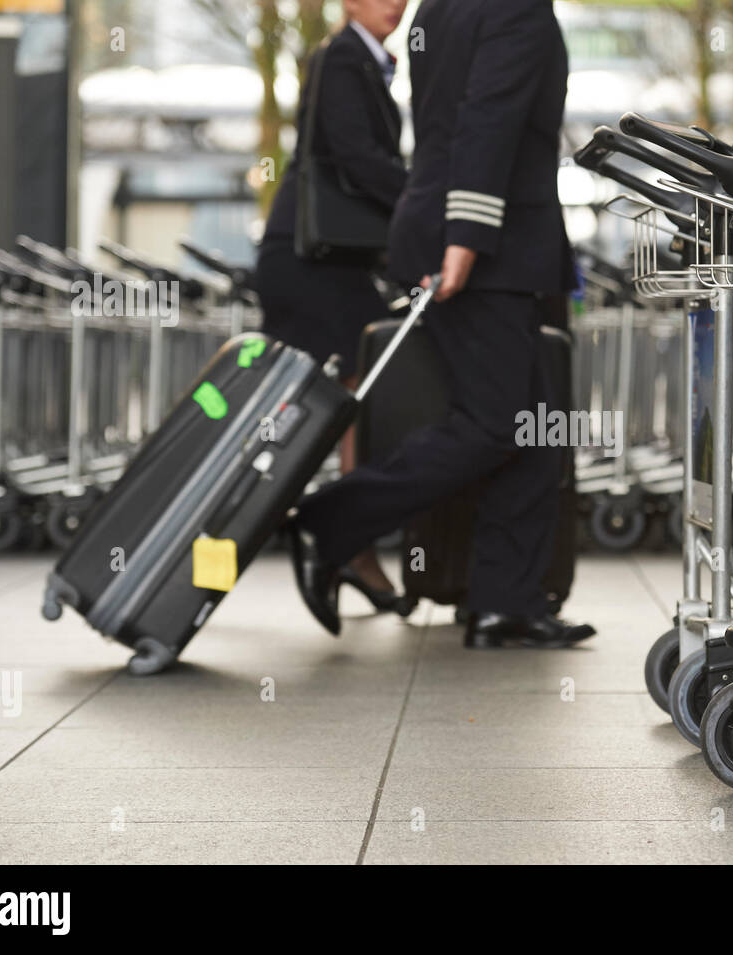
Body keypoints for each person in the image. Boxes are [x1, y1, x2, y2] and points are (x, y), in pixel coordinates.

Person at [287, 0, 595, 649]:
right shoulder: (513, 12)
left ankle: (503, 600)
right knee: (498, 422)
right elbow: (485, 123)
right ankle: (329, 523)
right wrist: (467, 236)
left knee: (538, 426)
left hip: (480, 239)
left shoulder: (439, 10)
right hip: (486, 248)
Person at [255, 0, 407, 613]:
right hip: (311, 262)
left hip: (328, 262)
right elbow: (355, 157)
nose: (394, 5)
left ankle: (344, 537)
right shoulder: (343, 57)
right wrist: (428, 200)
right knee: (343, 391)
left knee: (351, 391)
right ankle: (330, 533)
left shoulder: (357, 60)